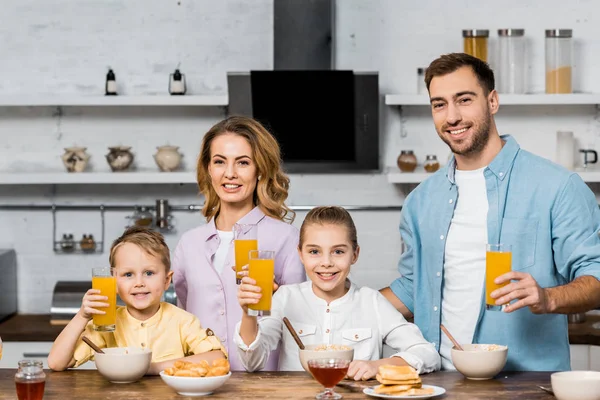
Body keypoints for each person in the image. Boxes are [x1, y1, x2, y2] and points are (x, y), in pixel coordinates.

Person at [380, 52, 600, 371]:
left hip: (525, 385)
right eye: (439, 104)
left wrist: (548, 297)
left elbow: (596, 275)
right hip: (436, 382)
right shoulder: (420, 201)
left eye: (464, 99)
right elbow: (412, 288)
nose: (451, 116)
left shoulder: (557, 186)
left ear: (492, 101)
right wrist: (332, 301)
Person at [235, 206, 440, 379]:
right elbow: (252, 362)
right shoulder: (286, 298)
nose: (326, 263)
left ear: (355, 254)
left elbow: (427, 353)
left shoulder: (373, 302)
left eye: (338, 251)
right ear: (301, 254)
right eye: (314, 251)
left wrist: (378, 366)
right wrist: (248, 314)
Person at [172, 116, 306, 371]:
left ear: (260, 171)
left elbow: (299, 322)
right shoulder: (189, 244)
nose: (230, 173)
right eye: (219, 161)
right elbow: (183, 320)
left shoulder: (286, 239)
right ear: (208, 169)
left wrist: (279, 298)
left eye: (243, 163)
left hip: (265, 386)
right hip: (201, 382)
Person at [48, 226, 227, 374]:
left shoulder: (182, 321)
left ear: (166, 280)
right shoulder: (106, 322)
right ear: (114, 282)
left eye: (149, 273)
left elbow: (217, 358)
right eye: (128, 274)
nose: (139, 283)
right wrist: (82, 316)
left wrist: (150, 368)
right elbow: (56, 363)